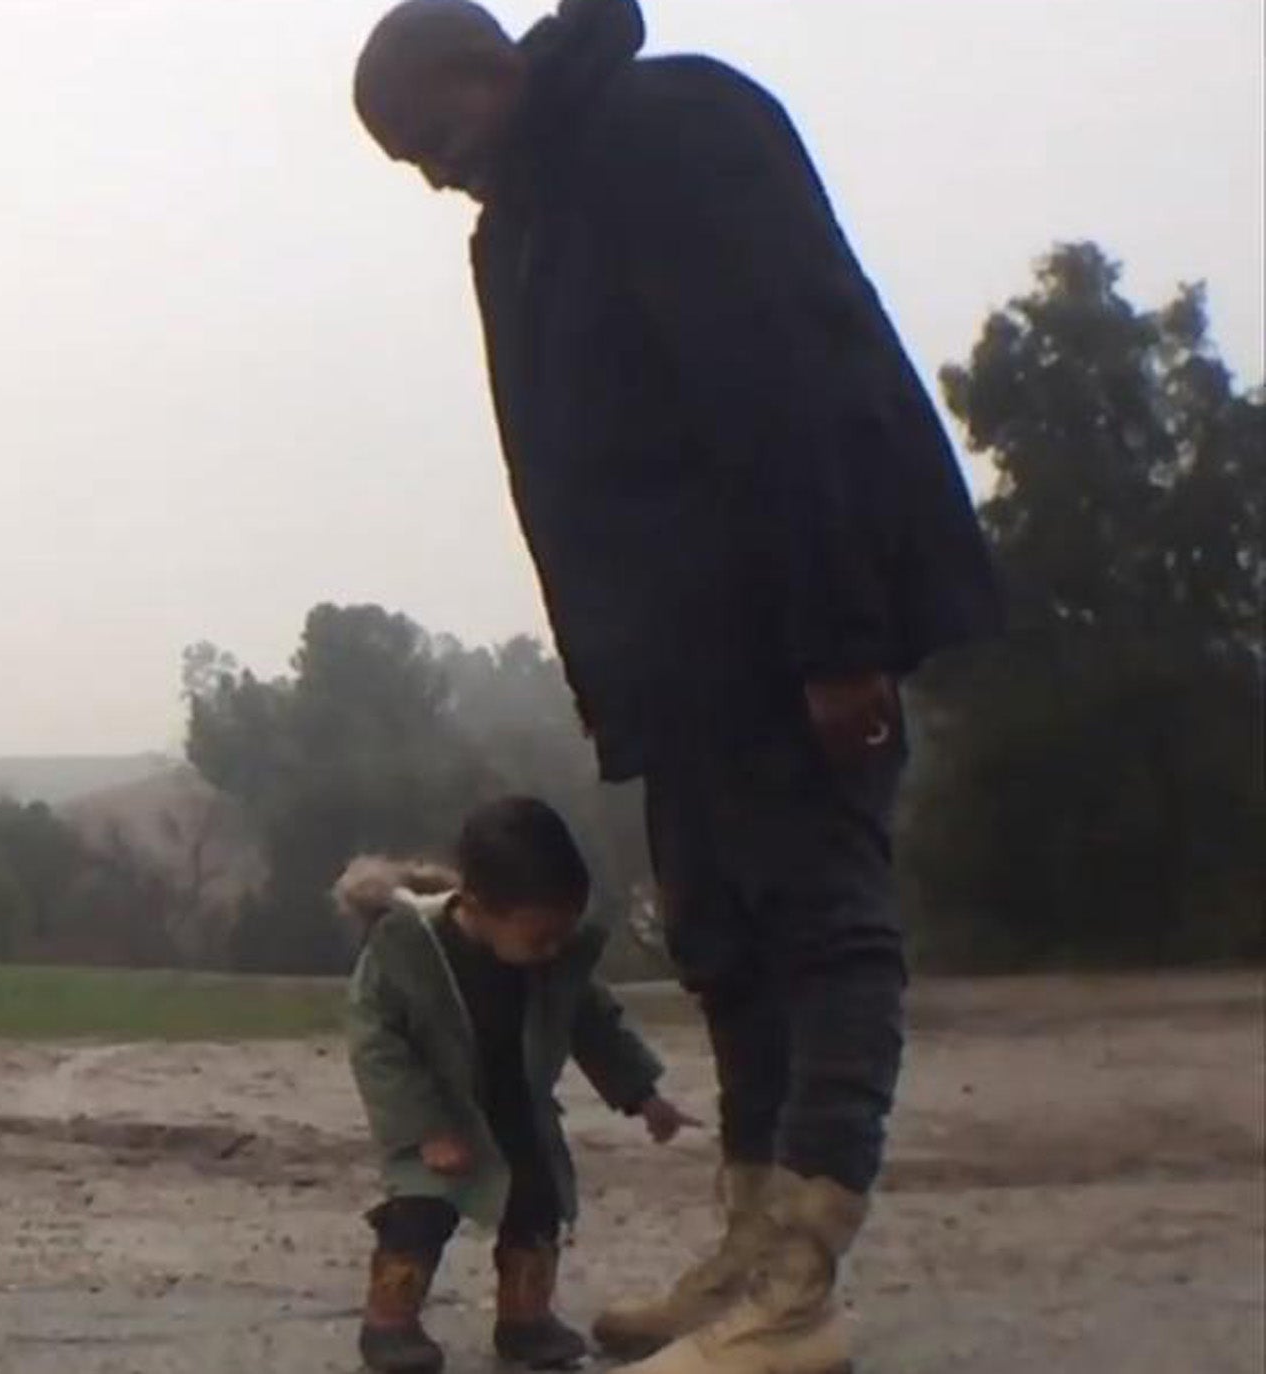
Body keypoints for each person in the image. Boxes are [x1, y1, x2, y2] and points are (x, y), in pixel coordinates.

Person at [349, 4, 1003, 1373]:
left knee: (822, 933)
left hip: (784, 627)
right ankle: (750, 1251)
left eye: (433, 134)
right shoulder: (516, 232)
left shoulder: (668, 124)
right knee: (725, 945)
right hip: (673, 661)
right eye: (407, 162)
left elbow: (793, 386)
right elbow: (563, 477)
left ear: (487, 66)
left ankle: (801, 1287)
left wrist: (838, 634)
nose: (435, 174)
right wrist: (615, 687)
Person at [340, 796, 698, 1373]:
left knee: (537, 1205)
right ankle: (390, 1321)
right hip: (438, 1111)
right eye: (539, 937)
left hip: (520, 1109)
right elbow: (378, 1047)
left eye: (562, 934)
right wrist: (425, 1127)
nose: (552, 950)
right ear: (477, 907)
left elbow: (593, 1024)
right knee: (418, 1214)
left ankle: (526, 1317)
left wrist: (643, 1094)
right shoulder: (405, 951)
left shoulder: (557, 961)